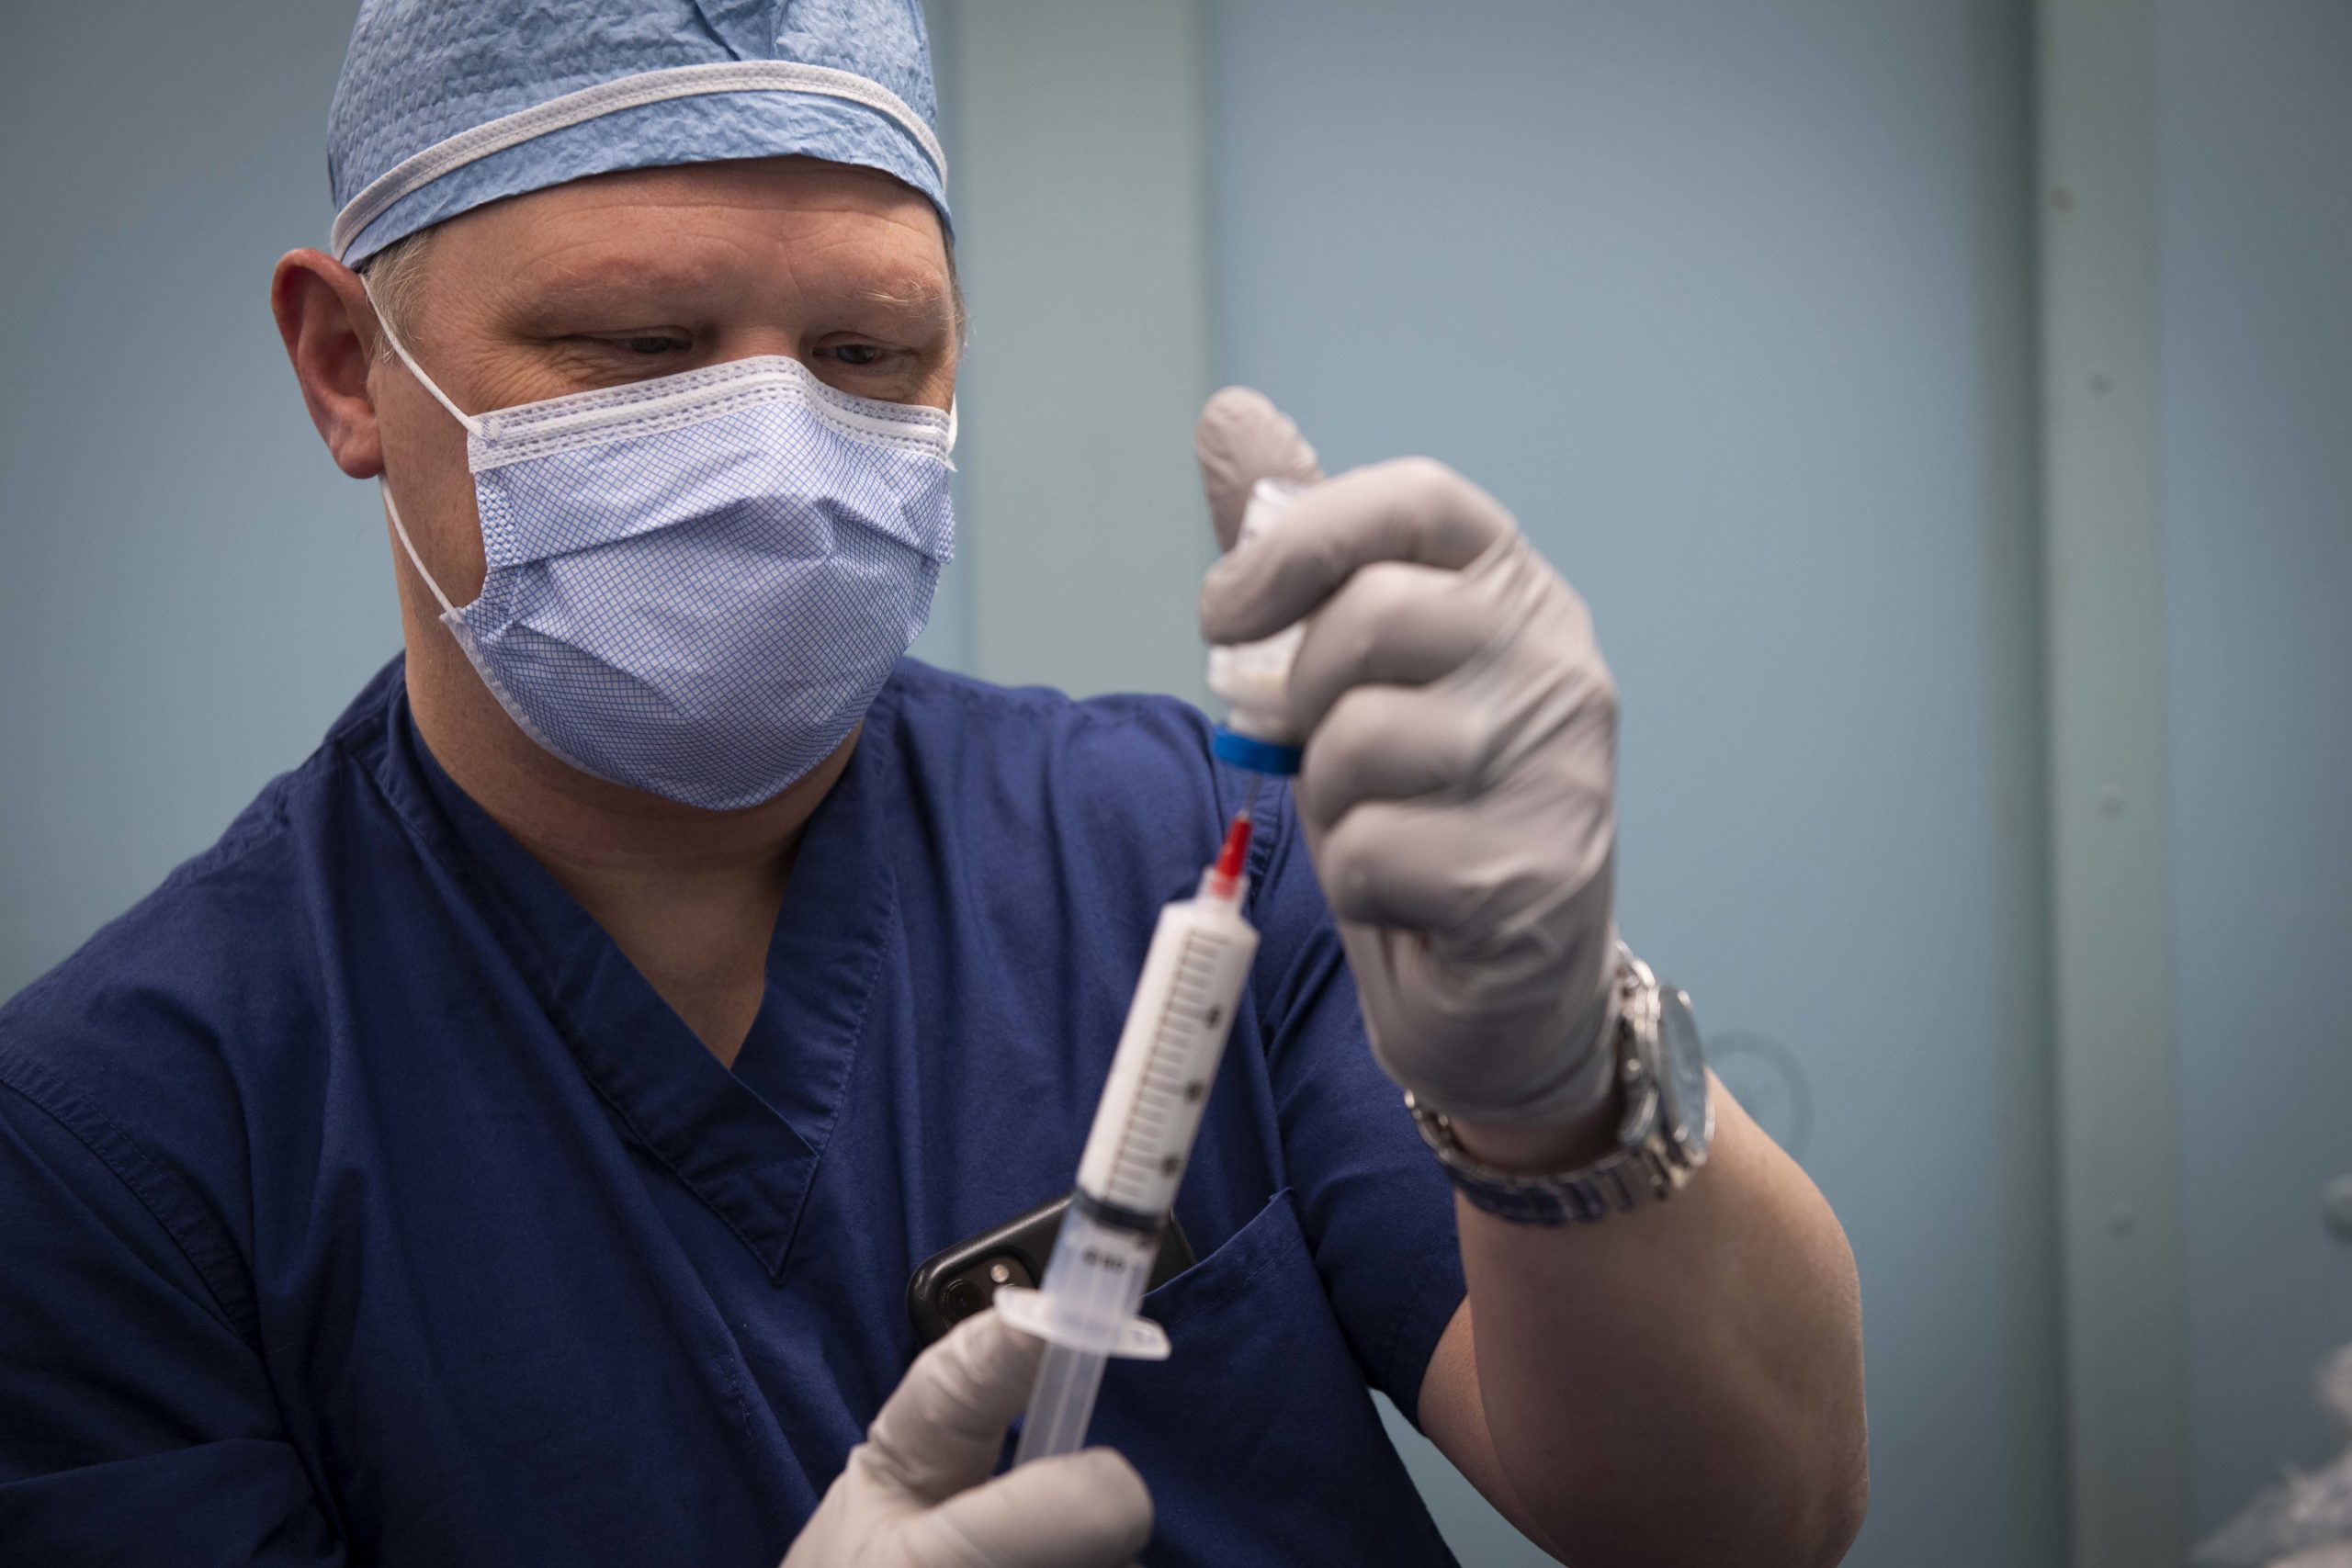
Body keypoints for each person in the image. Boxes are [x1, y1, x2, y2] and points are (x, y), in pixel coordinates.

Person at [0, 3, 1868, 1564]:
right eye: (640, 348)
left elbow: (1743, 1520)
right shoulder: (117, 1139)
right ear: (347, 365)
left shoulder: (1188, 851)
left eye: (866, 354)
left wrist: (1558, 1081)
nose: (777, 453)